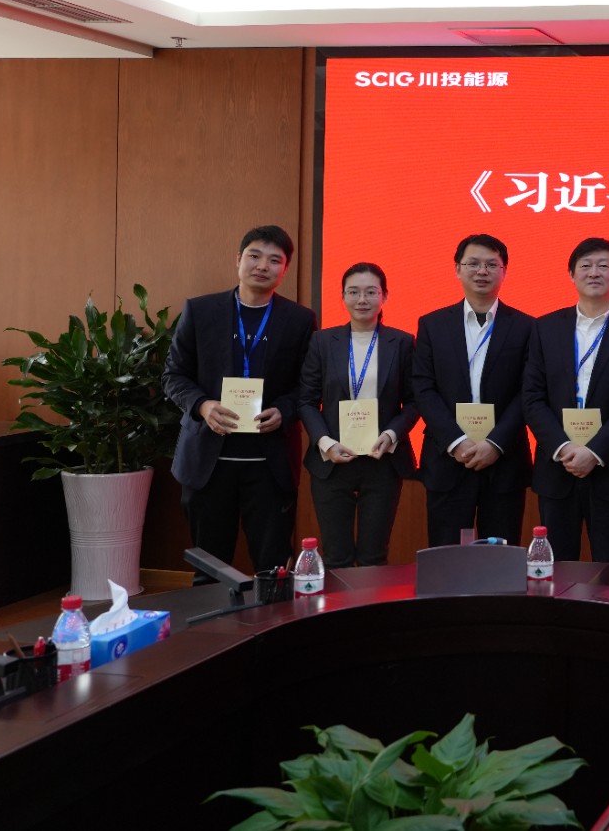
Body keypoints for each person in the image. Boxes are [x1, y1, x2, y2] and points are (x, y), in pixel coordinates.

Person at [163, 225, 317, 574]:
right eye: (254, 256)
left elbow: (308, 386)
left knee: (273, 568)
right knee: (209, 569)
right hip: (208, 463)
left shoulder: (299, 320)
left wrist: (285, 410)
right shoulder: (200, 311)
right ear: (238, 259)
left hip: (270, 463)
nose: (263, 266)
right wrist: (203, 405)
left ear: (285, 269)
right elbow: (173, 376)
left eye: (274, 260)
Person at [521, 238, 609, 563]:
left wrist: (594, 452)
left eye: (603, 265)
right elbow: (532, 397)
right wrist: (563, 447)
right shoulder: (544, 327)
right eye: (585, 266)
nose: (594, 272)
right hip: (558, 465)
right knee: (556, 565)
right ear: (572, 274)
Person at [412, 234, 533, 547]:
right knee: (447, 557)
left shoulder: (526, 326)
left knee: (501, 557)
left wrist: (495, 443)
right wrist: (456, 441)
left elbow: (529, 390)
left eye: (492, 265)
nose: (482, 271)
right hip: (448, 457)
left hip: (504, 458)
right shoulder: (432, 325)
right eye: (473, 264)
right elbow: (423, 387)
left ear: (504, 271)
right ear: (457, 269)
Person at [295, 263, 419, 568]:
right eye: (353, 292)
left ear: (384, 296)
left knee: (373, 557)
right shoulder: (322, 342)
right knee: (336, 556)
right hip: (332, 461)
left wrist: (391, 434)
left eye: (370, 292)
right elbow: (306, 400)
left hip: (382, 460)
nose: (362, 299)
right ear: (342, 296)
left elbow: (415, 401)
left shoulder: (402, 342)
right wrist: (325, 443)